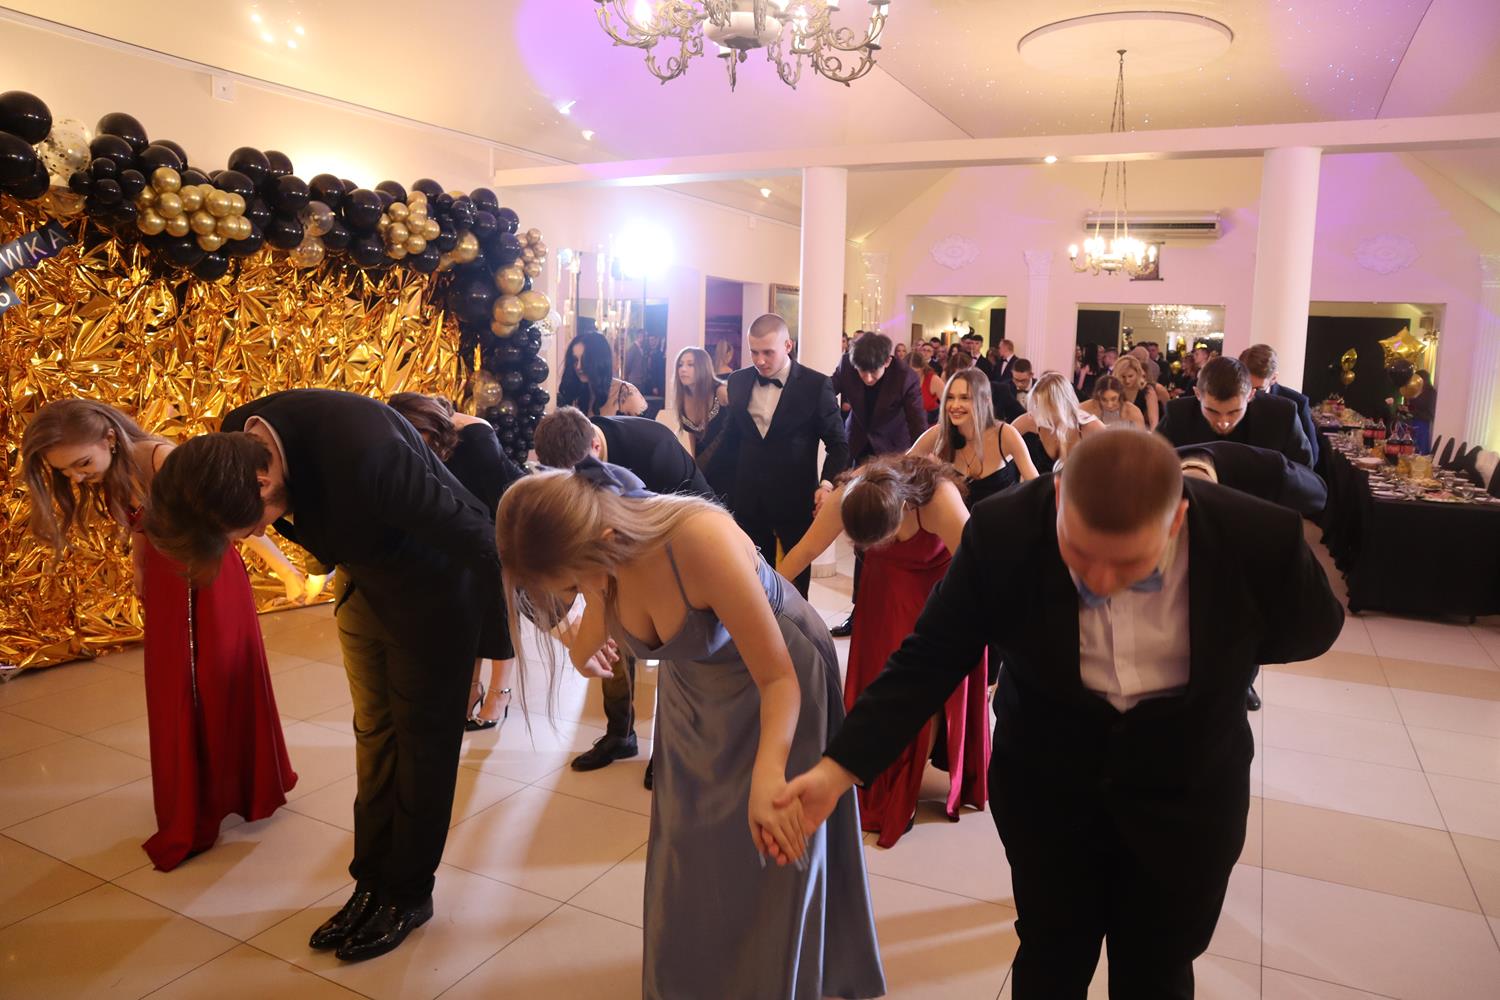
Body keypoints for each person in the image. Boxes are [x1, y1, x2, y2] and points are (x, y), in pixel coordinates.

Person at [779, 430, 1344, 1000]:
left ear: (1176, 521)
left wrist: (1225, 662)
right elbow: (930, 656)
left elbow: (1313, 629)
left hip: (1187, 798)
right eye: (1080, 555)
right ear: (1057, 502)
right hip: (1049, 790)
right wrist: (838, 768)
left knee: (1159, 967)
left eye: (1128, 563)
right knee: (1050, 957)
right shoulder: (1004, 530)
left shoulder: (1254, 536)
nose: (1099, 584)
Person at [496, 463, 886, 1000]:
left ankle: (772, 980)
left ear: (603, 539)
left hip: (780, 682)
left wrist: (767, 772)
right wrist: (583, 651)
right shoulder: (601, 550)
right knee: (690, 844)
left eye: (574, 581)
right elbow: (594, 623)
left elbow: (778, 680)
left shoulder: (699, 540)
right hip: (695, 692)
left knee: (771, 850)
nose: (581, 591)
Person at [145, 388, 501, 963]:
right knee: (375, 736)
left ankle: (409, 893)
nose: (250, 539)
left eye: (245, 530)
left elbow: (478, 534)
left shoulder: (368, 451)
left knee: (422, 748)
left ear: (262, 482)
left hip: (433, 588)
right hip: (364, 576)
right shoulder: (238, 437)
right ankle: (372, 880)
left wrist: (554, 615)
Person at [20, 399, 299, 874]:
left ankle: (226, 794)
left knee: (209, 683)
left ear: (109, 438)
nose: (76, 478)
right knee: (178, 690)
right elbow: (141, 521)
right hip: (169, 584)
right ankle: (204, 793)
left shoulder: (165, 459)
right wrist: (139, 565)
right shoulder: (116, 469)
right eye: (65, 472)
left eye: (81, 464)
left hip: (205, 580)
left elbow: (239, 518)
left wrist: (287, 570)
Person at [778, 455, 984, 847]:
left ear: (904, 507)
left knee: (925, 691)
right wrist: (763, 601)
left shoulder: (939, 499)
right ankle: (866, 766)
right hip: (883, 588)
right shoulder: (849, 495)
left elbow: (979, 568)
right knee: (876, 680)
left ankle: (907, 785)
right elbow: (803, 552)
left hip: (941, 588)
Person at [534, 406, 715, 783]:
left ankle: (670, 746)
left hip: (678, 550)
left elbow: (698, 516)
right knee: (613, 643)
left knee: (674, 655)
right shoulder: (567, 459)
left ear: (595, 445)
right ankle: (620, 734)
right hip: (615, 554)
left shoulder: (653, 446)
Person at [388, 393, 526, 731]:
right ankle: (470, 687)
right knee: (466, 612)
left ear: (432, 426)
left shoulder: (477, 439)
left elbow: (502, 500)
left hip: (501, 524)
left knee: (498, 612)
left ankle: (500, 693)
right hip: (462, 528)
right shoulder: (416, 439)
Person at [720, 313, 849, 597]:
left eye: (768, 352)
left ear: (788, 346)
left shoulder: (816, 385)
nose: (760, 360)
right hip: (748, 501)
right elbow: (729, 442)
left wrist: (827, 485)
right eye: (754, 352)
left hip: (795, 501)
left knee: (794, 589)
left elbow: (839, 444)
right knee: (751, 583)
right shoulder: (738, 381)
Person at [827, 331, 928, 637]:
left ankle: (892, 608)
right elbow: (824, 392)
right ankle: (859, 611)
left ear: (888, 360)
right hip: (858, 450)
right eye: (862, 372)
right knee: (862, 530)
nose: (868, 379)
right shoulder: (847, 365)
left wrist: (917, 468)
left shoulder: (905, 377)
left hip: (895, 455)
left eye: (873, 372)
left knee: (890, 532)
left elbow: (919, 426)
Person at [911, 369, 1039, 507]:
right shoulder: (940, 433)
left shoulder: (1006, 434)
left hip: (1002, 519)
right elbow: (901, 471)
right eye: (950, 397)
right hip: (957, 520)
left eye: (964, 398)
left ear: (985, 401)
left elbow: (1037, 489)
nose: (955, 405)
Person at [1159, 356, 1314, 469]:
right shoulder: (1178, 414)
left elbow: (1305, 473)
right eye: (1212, 411)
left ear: (1251, 395)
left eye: (1234, 411)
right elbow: (1154, 463)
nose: (1223, 422)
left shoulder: (1281, 415)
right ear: (1197, 394)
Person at [657, 346, 733, 494]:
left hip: (727, 462)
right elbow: (692, 436)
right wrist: (694, 465)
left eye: (690, 365)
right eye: (680, 365)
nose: (683, 369)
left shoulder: (721, 391)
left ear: (703, 367)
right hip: (703, 466)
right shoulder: (681, 398)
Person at [1239, 344, 1319, 467]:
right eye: (1246, 386)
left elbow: (1310, 456)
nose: (1250, 394)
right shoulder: (1231, 396)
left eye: (1258, 389)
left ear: (1274, 378)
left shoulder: (1296, 402)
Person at [1012, 371, 1107, 474]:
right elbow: (1003, 438)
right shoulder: (1033, 420)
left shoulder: (1091, 427)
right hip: (1039, 484)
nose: (1038, 412)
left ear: (1061, 405)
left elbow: (1112, 465)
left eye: (1043, 406)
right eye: (1036, 405)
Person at [559, 330, 647, 417]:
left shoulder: (626, 393)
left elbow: (646, 426)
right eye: (575, 360)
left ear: (600, 361)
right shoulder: (576, 393)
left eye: (585, 359)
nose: (579, 366)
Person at [1081, 374, 1145, 428]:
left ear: (1120, 395)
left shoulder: (1132, 411)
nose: (1109, 405)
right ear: (1098, 396)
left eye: (1114, 399)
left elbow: (1141, 437)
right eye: (1104, 399)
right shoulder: (1086, 408)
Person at [913, 343, 946, 426]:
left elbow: (948, 404)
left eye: (916, 372)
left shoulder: (933, 379)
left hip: (930, 425)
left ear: (922, 368)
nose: (911, 376)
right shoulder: (903, 379)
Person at [993, 358, 1035, 422]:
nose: (1019, 384)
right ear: (1012, 373)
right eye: (1016, 380)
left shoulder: (1040, 388)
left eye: (1023, 380)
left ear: (1031, 375)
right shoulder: (1005, 388)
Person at [1407, 369, 1437, 455]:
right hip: (1412, 423)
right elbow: (1413, 407)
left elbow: (1429, 415)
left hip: (1422, 425)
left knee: (1420, 451)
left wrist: (1412, 411)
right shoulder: (1417, 390)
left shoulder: (1431, 393)